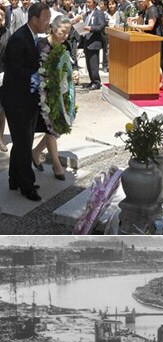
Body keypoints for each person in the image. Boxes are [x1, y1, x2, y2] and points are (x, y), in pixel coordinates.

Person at [2, 2, 51, 201]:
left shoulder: (31, 36)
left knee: (23, 141)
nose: (48, 23)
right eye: (45, 19)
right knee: (23, 143)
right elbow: (16, 71)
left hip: (26, 99)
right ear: (34, 20)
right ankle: (26, 185)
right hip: (17, 101)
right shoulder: (19, 39)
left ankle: (14, 178)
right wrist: (41, 76)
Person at [32, 14, 77, 180]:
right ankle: (57, 165)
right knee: (51, 128)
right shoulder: (40, 44)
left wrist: (74, 73)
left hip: (60, 93)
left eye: (68, 32)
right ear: (53, 28)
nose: (65, 36)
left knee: (56, 128)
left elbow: (70, 65)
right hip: (41, 93)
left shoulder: (65, 46)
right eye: (62, 32)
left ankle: (36, 152)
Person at [128, 0, 163, 88]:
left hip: (156, 39)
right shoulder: (147, 9)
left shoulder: (153, 10)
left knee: (158, 63)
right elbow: (142, 16)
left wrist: (135, 26)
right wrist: (133, 19)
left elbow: (150, 26)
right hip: (151, 39)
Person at [75, 0, 105, 90]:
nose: (88, 4)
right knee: (89, 64)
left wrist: (91, 28)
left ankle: (96, 82)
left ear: (94, 3)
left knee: (94, 64)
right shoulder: (87, 14)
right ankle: (92, 80)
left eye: (89, 2)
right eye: (87, 2)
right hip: (86, 41)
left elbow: (101, 26)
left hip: (94, 41)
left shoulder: (99, 13)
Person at [0, 7, 10, 152]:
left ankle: (0, 139)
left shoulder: (7, 33)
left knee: (1, 110)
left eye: (2, 15)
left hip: (2, 75)